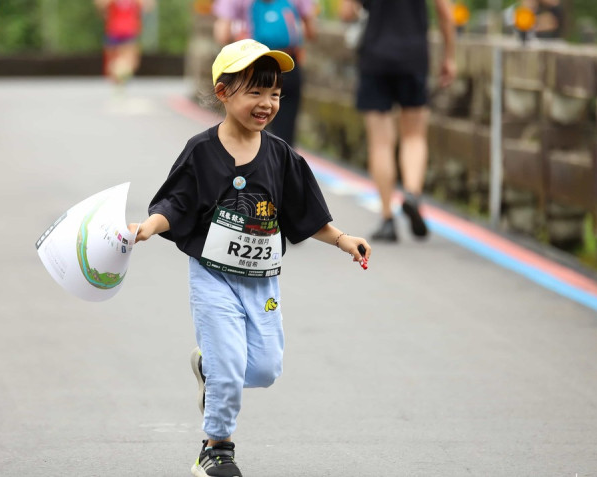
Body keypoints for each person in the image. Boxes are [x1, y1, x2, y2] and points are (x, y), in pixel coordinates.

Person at [126, 39, 371, 477]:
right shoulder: (201, 151)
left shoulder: (279, 156)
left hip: (262, 280)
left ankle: (209, 366)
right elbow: (176, 204)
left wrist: (342, 239)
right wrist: (146, 228)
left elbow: (304, 211)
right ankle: (216, 446)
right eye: (255, 92)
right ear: (223, 93)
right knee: (229, 367)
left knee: (263, 368)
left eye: (275, 93)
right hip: (212, 276)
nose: (267, 103)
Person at [340, 0, 455, 242]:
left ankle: (387, 218)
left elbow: (346, 12)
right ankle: (412, 193)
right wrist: (449, 56)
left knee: (381, 143)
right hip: (413, 57)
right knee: (413, 136)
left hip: (374, 57)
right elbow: (445, 12)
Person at [212, 0, 317, 147]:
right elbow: (311, 31)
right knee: (284, 138)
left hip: (250, 67)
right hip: (286, 64)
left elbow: (222, 34)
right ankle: (281, 167)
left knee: (248, 135)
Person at [93, 0, 153, 84]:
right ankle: (118, 80)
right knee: (116, 62)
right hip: (116, 31)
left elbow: (148, 6)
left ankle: (120, 79)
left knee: (128, 62)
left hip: (126, 31)